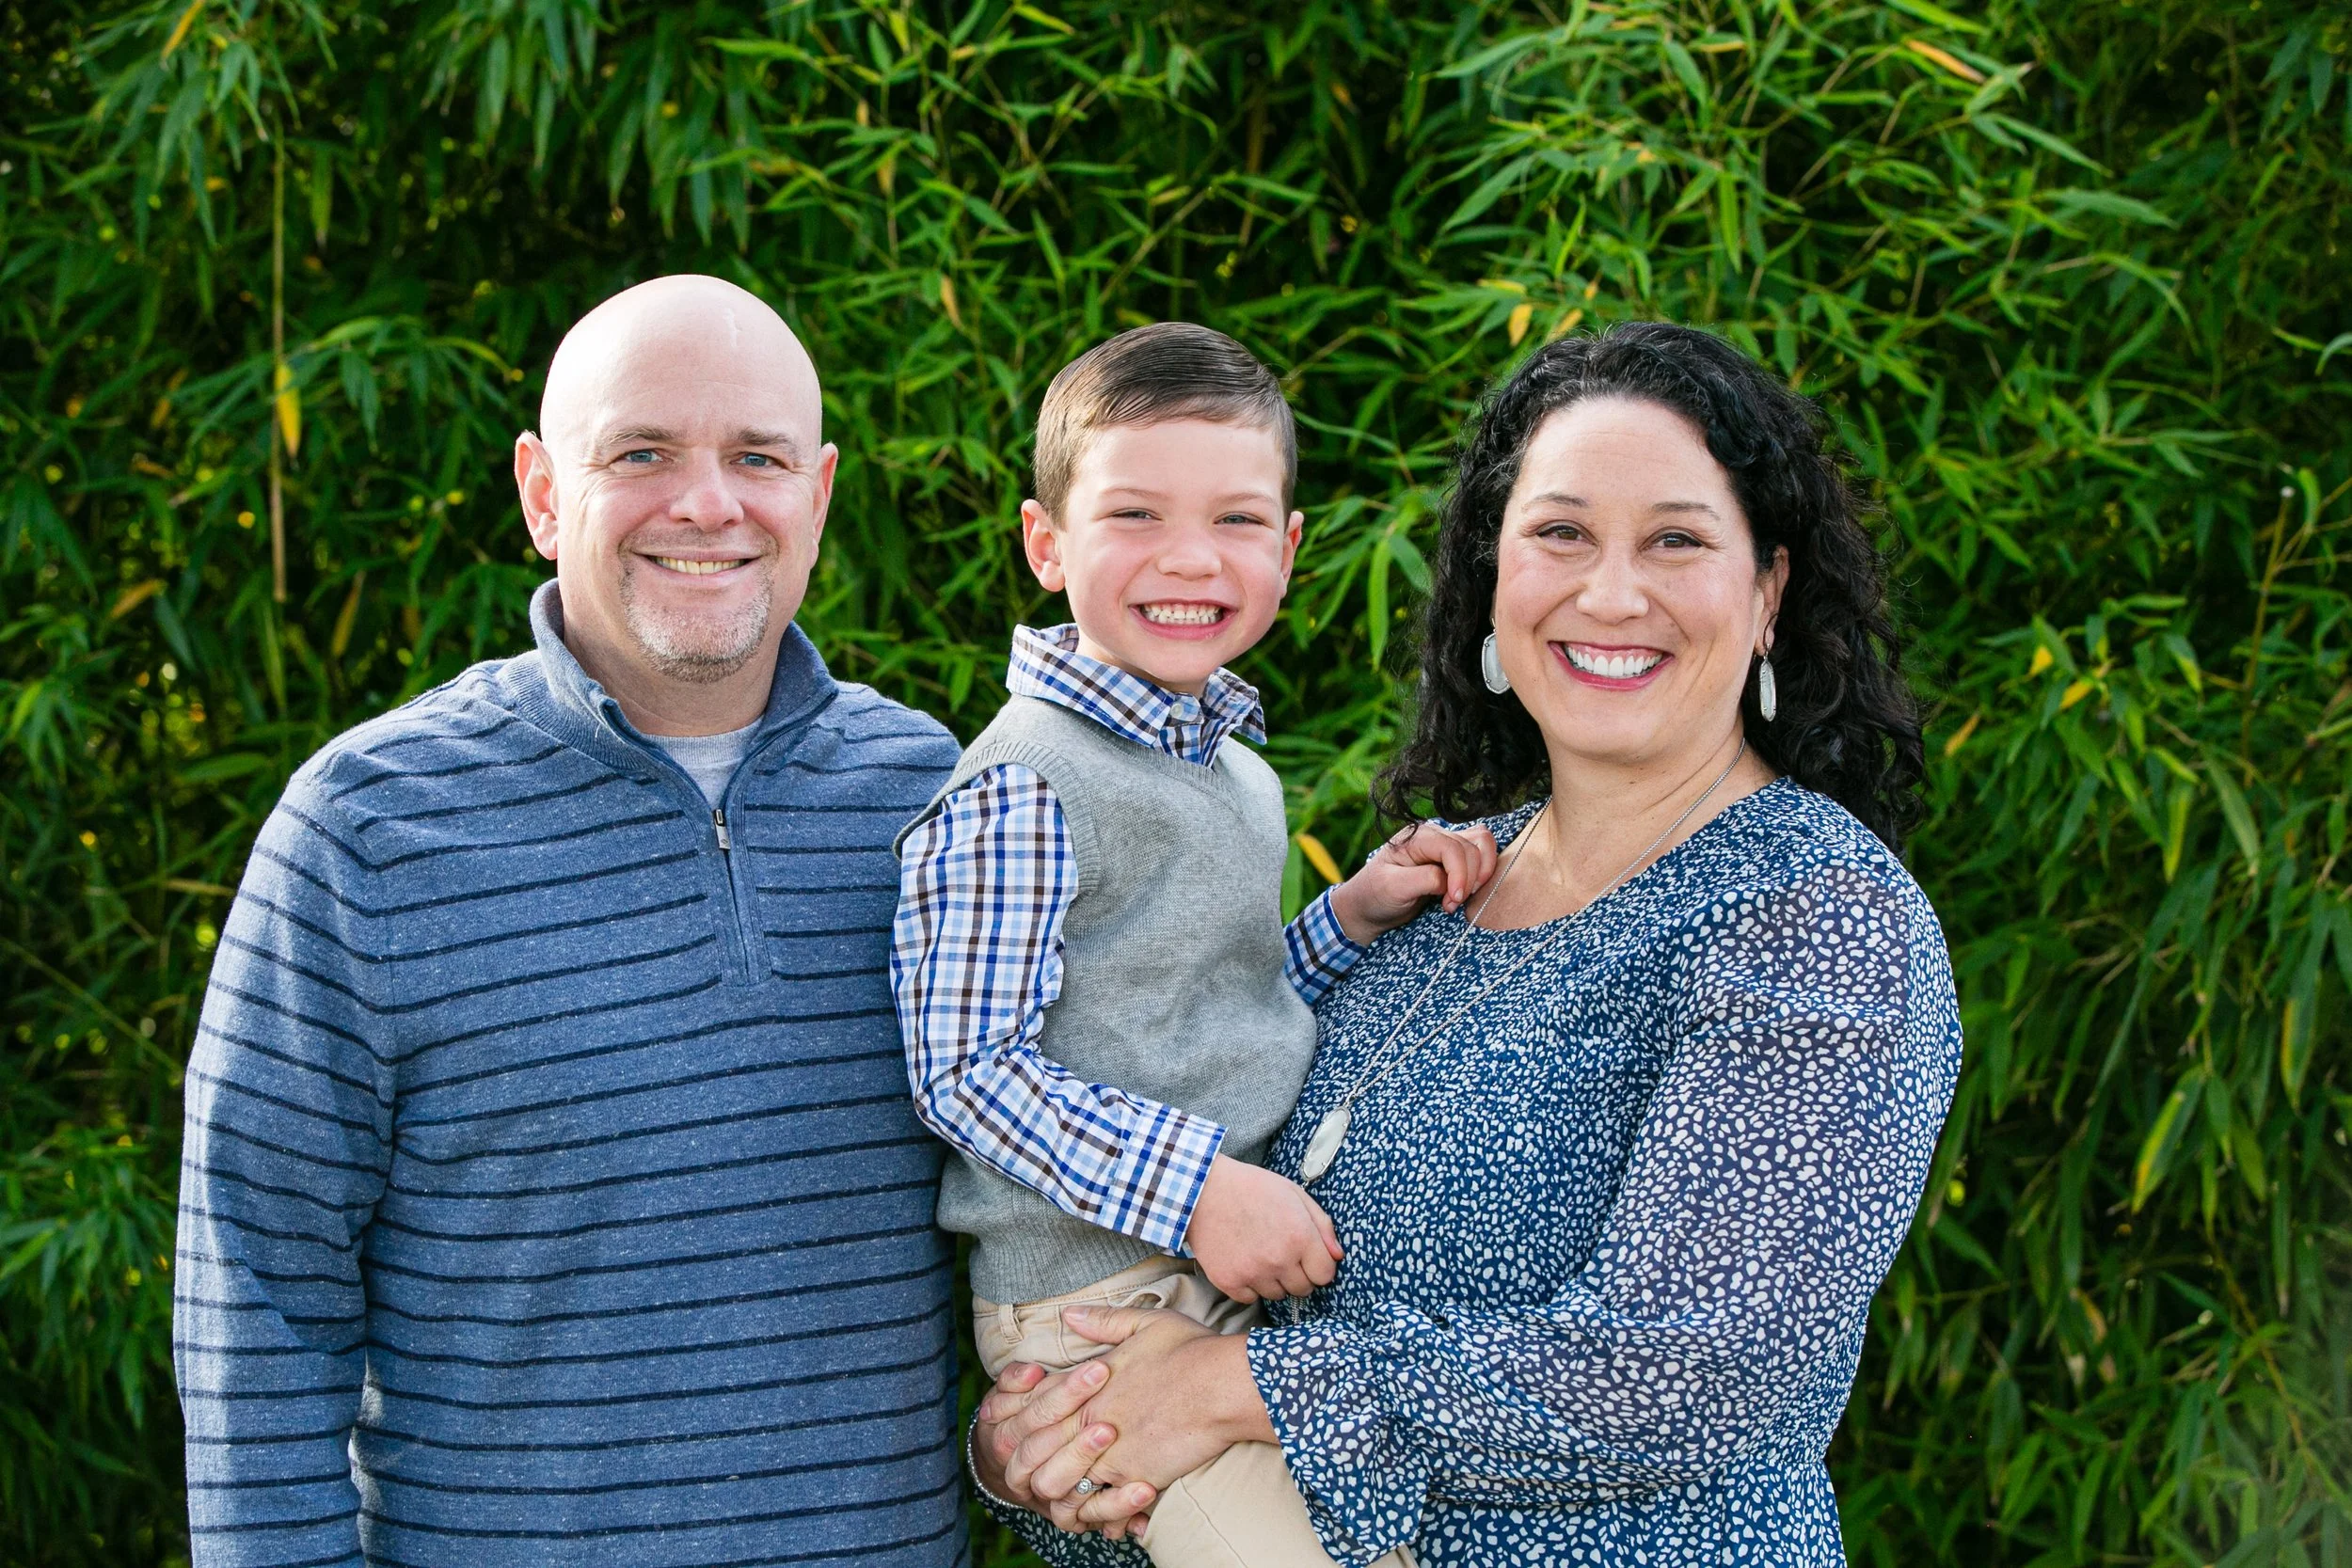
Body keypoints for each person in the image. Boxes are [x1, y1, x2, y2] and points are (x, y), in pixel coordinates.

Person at [971, 321, 1962, 1567]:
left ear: (1767, 594)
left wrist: (1228, 1389)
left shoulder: (1811, 914)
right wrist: (1044, 1434)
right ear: (1495, 578)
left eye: (1676, 540)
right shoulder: (1436, 889)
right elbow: (1164, 1224)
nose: (1612, 593)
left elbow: (1685, 1365)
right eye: (1560, 533)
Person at [173, 275, 967, 1566]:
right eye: (641, 453)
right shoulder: (367, 829)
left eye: (757, 458)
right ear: (543, 494)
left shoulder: (940, 803)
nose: (706, 503)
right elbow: (255, 1301)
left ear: (817, 496)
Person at [890, 323, 1493, 1568]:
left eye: (1236, 519)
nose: (1189, 557)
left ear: (1289, 549)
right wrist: (1200, 1188)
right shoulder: (1025, 785)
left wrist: (1350, 915)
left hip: (1225, 1295)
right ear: (1046, 544)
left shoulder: (1234, 769)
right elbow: (965, 1069)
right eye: (1135, 514)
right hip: (1096, 1309)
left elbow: (1186, 997)